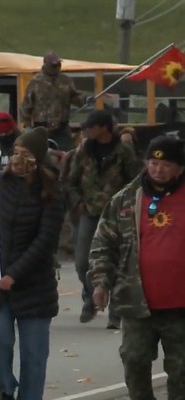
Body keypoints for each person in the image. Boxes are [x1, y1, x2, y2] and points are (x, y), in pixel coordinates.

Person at [89, 136, 185, 399]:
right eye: (153, 162)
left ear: (179, 167)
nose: (158, 169)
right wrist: (100, 282)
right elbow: (103, 243)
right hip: (137, 302)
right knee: (134, 362)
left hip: (180, 307)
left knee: (182, 373)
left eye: (165, 164)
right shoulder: (126, 199)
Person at [0, 128, 65, 400]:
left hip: (35, 289)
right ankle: (6, 390)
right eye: (16, 152)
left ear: (39, 159)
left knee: (34, 357)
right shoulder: (0, 184)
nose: (19, 158)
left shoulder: (52, 193)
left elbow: (45, 242)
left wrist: (15, 274)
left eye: (26, 153)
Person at [67, 110, 141, 328]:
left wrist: (129, 206)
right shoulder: (84, 151)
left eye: (91, 127)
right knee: (82, 262)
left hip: (118, 214)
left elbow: (135, 180)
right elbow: (71, 182)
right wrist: (78, 203)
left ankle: (115, 313)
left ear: (104, 128)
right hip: (89, 212)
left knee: (119, 262)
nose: (87, 130)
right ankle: (91, 295)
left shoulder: (123, 151)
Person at [19, 51, 91, 151]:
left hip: (62, 126)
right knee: (41, 153)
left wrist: (85, 100)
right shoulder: (35, 82)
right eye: (53, 65)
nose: (57, 67)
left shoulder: (65, 80)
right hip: (41, 127)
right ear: (46, 64)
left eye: (58, 64)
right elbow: (26, 105)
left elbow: (74, 97)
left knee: (68, 153)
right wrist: (27, 126)